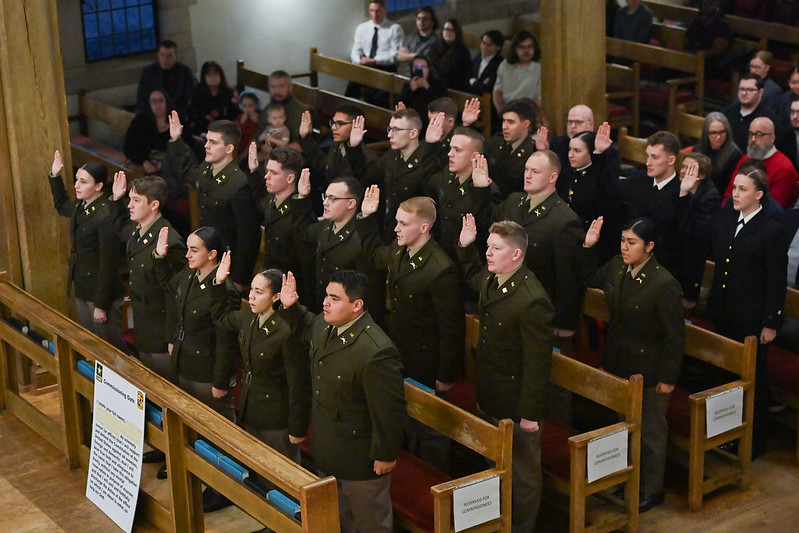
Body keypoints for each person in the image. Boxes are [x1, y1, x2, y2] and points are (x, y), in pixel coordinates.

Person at [278, 269, 405, 533]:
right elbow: (306, 325)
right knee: (339, 521)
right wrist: (290, 307)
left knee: (370, 524)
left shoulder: (376, 351)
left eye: (334, 298)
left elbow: (388, 411)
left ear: (357, 305)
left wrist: (385, 454)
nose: (325, 302)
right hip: (329, 449)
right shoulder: (326, 325)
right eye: (326, 296)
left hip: (360, 461)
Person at [457, 216, 553, 531]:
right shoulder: (494, 278)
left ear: (515, 255)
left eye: (495, 248)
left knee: (523, 476)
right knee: (495, 464)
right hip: (491, 392)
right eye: (488, 246)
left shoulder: (532, 299)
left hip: (515, 403)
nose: (489, 253)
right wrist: (467, 246)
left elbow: (537, 364)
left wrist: (529, 414)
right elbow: (474, 276)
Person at [582, 217, 685, 512]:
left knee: (650, 431)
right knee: (622, 426)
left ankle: (652, 489)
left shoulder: (664, 283)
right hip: (619, 361)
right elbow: (588, 278)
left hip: (649, 369)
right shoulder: (617, 266)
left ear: (649, 247)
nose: (624, 248)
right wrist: (589, 247)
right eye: (623, 240)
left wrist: (668, 377)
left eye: (632, 242)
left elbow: (674, 337)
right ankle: (626, 478)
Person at [360, 194, 464, 472]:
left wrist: (446, 374)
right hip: (400, 352)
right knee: (404, 420)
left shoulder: (440, 270)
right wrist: (367, 218)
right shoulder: (399, 249)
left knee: (428, 429)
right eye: (396, 222)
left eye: (404, 223)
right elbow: (373, 255)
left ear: (424, 228)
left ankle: (433, 479)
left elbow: (451, 329)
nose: (396, 228)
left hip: (426, 362)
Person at [708, 167, 787, 458]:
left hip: (752, 319)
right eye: (734, 188)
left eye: (742, 189)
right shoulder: (729, 218)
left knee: (753, 379)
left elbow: (775, 281)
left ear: (759, 194)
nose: (735, 194)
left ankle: (754, 440)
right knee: (726, 375)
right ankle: (727, 432)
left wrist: (771, 322)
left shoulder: (770, 230)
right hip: (726, 311)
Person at [473, 150, 585, 352]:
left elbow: (568, 278)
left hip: (536, 311)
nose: (528, 175)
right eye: (526, 169)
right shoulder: (514, 202)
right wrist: (482, 189)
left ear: (553, 177)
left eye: (535, 171)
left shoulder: (564, 221)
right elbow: (484, 228)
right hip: (503, 301)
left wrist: (565, 323)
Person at [211, 257, 311, 465]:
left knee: (281, 471)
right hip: (250, 405)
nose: (251, 296)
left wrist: (297, 428)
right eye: (252, 290)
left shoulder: (287, 330)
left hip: (276, 416)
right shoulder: (249, 317)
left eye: (259, 292)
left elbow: (299, 383)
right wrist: (219, 283)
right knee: (254, 466)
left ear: (276, 296)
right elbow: (221, 320)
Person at [166, 113, 261, 293]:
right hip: (206, 261)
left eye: (213, 142)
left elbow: (248, 236)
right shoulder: (207, 169)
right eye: (207, 140)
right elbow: (189, 172)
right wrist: (176, 140)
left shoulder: (238, 185)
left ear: (229, 148)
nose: (207, 146)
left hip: (226, 268)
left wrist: (241, 278)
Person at [48, 151, 127, 352]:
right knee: (91, 343)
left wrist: (100, 304)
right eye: (76, 180)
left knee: (109, 347)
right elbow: (61, 206)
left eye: (83, 182)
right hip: (83, 284)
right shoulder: (82, 206)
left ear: (99, 186)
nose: (76, 185)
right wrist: (55, 177)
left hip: (101, 292)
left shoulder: (106, 213)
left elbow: (108, 263)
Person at [111, 173, 187, 379]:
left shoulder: (169, 241)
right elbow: (121, 228)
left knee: (165, 385)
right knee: (149, 380)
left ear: (154, 205)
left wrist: (173, 336)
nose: (130, 205)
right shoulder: (139, 230)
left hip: (161, 328)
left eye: (136, 200)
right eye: (130, 199)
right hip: (143, 323)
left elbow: (177, 292)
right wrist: (116, 199)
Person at [623, 131, 690, 305]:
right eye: (647, 156)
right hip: (631, 268)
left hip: (663, 275)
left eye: (654, 157)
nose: (648, 162)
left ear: (671, 160)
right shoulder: (638, 181)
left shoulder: (681, 194)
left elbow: (689, 244)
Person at [424, 126, 502, 263]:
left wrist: (480, 189)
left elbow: (488, 227)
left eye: (457, 150)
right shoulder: (448, 175)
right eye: (450, 148)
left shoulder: (488, 189)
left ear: (474, 157)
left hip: (466, 263)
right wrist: (429, 146)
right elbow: (426, 182)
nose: (450, 154)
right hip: (441, 257)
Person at [364, 108, 440, 241]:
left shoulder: (428, 159)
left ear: (413, 133)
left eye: (396, 130)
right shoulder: (393, 154)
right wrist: (354, 147)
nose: (390, 135)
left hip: (417, 233)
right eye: (390, 129)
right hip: (392, 228)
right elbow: (368, 176)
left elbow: (433, 194)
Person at [124, 88, 192, 237]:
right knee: (152, 191)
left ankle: (177, 232)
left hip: (173, 167)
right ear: (149, 104)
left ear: (166, 102)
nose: (158, 105)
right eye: (154, 101)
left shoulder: (176, 120)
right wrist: (143, 161)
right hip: (148, 167)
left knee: (173, 187)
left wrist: (168, 161)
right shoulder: (141, 121)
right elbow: (129, 147)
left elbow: (188, 147)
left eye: (161, 100)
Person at [253, 147, 316, 305]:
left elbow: (307, 264)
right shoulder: (273, 201)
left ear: (290, 179)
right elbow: (258, 200)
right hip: (271, 283)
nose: (266, 176)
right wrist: (254, 172)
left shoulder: (301, 214)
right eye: (267, 171)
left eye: (274, 173)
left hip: (291, 293)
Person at [556, 123, 624, 264]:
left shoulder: (599, 177)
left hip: (593, 240)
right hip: (569, 234)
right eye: (570, 149)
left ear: (590, 153)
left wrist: (599, 154)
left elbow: (606, 196)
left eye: (577, 151)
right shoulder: (568, 172)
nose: (571, 155)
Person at [298, 106, 375, 216]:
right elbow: (324, 165)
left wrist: (354, 148)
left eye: (340, 123)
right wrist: (305, 137)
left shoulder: (366, 158)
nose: (334, 127)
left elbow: (358, 177)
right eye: (333, 123)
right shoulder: (336, 146)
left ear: (356, 125)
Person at [674, 153, 721, 307]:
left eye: (689, 169)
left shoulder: (710, 196)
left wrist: (686, 194)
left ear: (700, 175)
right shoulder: (675, 185)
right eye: (683, 167)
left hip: (696, 253)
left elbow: (700, 232)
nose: (682, 171)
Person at [723, 117, 799, 209]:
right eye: (751, 134)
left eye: (759, 134)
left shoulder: (784, 168)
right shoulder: (745, 159)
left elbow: (773, 209)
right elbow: (728, 194)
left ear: (772, 138)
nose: (753, 139)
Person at [347, 0, 404, 107]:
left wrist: (375, 60)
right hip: (366, 67)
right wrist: (359, 60)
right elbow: (355, 50)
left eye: (378, 11)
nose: (374, 15)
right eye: (371, 11)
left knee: (375, 96)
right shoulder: (362, 28)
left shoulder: (394, 28)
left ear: (384, 10)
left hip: (385, 68)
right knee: (351, 89)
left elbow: (395, 55)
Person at [485, 99, 539, 197]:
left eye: (510, 122)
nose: (504, 127)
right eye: (503, 121)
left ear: (526, 124)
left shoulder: (532, 151)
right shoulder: (496, 141)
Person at [723, 73, 787, 156]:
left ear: (760, 92)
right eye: (741, 89)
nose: (744, 93)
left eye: (749, 90)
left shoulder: (770, 120)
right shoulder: (727, 113)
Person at [136, 40, 197, 116]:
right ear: (158, 55)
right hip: (154, 115)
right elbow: (142, 98)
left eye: (169, 56)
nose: (165, 59)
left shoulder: (185, 72)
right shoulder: (149, 73)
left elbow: (191, 97)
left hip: (179, 114)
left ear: (175, 55)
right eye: (162, 55)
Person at [185, 61, 240, 139]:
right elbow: (192, 117)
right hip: (201, 133)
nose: (213, 77)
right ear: (204, 77)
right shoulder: (196, 94)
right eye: (209, 75)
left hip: (224, 132)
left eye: (215, 74)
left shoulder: (229, 93)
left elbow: (234, 116)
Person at [694, 111, 744, 194]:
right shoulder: (698, 150)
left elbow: (731, 187)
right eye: (713, 133)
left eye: (722, 132)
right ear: (706, 133)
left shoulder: (734, 155)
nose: (718, 137)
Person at [493, 31, 542, 112]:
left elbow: (539, 100)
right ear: (515, 49)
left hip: (528, 112)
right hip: (507, 110)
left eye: (530, 47)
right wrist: (502, 111)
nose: (526, 51)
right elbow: (497, 92)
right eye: (521, 47)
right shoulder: (505, 65)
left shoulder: (539, 69)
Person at [536, 104, 597, 169]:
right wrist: (543, 151)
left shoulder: (597, 146)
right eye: (570, 122)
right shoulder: (558, 144)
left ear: (591, 124)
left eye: (578, 122)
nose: (573, 126)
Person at [257, 70, 308, 145]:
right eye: (273, 86)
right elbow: (259, 135)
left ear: (290, 87)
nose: (277, 91)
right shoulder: (268, 108)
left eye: (281, 86)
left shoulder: (299, 111)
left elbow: (299, 145)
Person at [397, 54, 448, 119]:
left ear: (429, 69)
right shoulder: (409, 84)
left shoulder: (439, 84)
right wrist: (411, 90)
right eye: (416, 67)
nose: (419, 70)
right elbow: (399, 104)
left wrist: (427, 88)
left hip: (430, 119)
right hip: (411, 118)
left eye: (423, 67)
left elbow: (441, 106)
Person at [397, 6, 441, 75]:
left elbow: (423, 61)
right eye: (419, 18)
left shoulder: (435, 41)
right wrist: (416, 55)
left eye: (425, 19)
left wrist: (408, 56)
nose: (421, 21)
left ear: (432, 22)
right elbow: (400, 56)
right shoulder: (412, 37)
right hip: (408, 74)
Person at [436, 18, 472, 92]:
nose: (448, 32)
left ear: (457, 33)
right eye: (446, 29)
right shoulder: (439, 46)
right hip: (443, 84)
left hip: (456, 88)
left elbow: (450, 73)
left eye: (452, 30)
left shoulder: (462, 50)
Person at [467, 30, 505, 97]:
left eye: (489, 45)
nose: (484, 47)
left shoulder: (500, 64)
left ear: (498, 47)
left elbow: (488, 88)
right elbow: (468, 77)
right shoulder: (478, 57)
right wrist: (480, 84)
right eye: (483, 43)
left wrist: (473, 82)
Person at [234, 91, 260, 166]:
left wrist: (255, 122)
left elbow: (258, 133)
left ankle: (240, 159)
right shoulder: (240, 118)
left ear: (256, 105)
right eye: (244, 106)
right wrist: (241, 122)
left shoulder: (259, 118)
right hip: (240, 142)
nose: (247, 108)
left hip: (251, 143)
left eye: (250, 106)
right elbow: (236, 133)